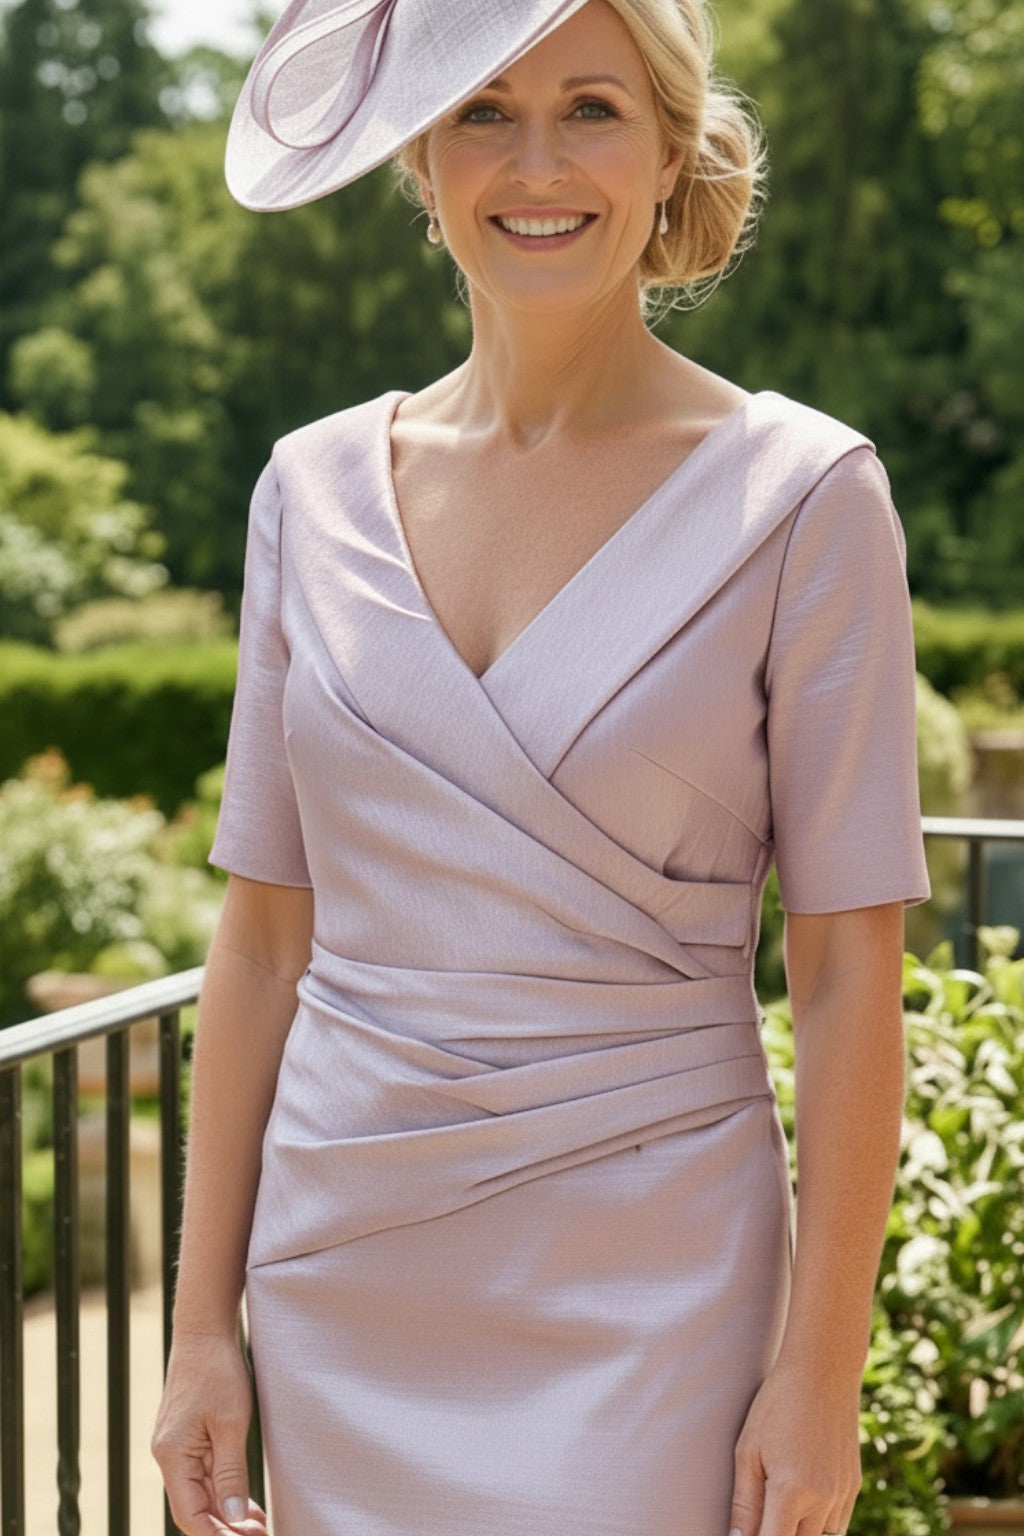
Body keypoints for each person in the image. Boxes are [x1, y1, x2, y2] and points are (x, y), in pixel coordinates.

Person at [151, 1, 931, 1533]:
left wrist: (818, 1374)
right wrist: (194, 1335)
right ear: (423, 162)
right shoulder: (307, 490)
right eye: (483, 113)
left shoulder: (810, 500)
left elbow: (849, 981)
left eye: (591, 109)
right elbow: (258, 946)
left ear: (665, 153)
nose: (535, 163)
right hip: (345, 1271)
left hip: (658, 1289)